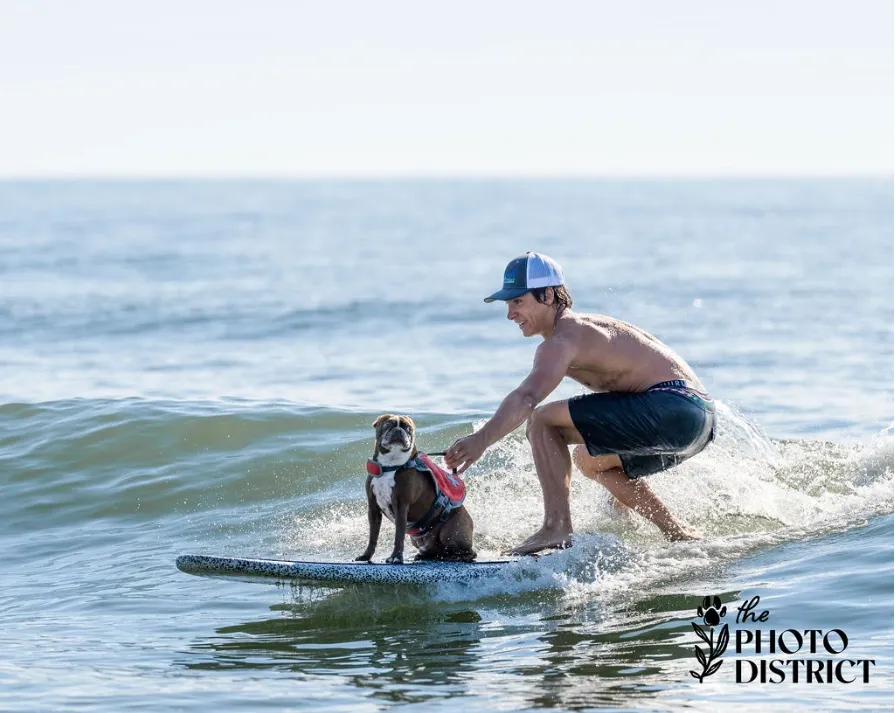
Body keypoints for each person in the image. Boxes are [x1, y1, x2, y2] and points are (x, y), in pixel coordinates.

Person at [443, 252, 715, 555]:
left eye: (517, 302)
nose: (510, 314)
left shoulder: (562, 339)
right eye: (508, 304)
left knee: (543, 420)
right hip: (698, 418)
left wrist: (481, 440)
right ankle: (676, 531)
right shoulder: (589, 327)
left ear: (547, 295)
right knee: (590, 460)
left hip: (673, 406)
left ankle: (555, 527)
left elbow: (527, 398)